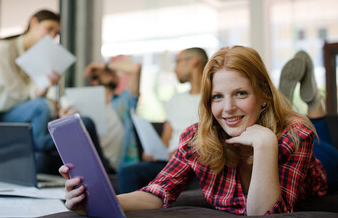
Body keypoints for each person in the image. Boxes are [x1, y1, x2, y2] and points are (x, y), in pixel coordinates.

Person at [60, 46, 327, 216]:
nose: (228, 108)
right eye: (217, 97)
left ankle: (313, 104)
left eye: (241, 93)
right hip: (271, 124)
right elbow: (157, 192)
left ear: (263, 95)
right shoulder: (195, 137)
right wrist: (94, 201)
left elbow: (263, 213)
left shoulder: (295, 134)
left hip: (322, 166)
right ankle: (293, 99)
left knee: (321, 138)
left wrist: (266, 142)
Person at [118, 47, 208, 193]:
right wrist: (155, 152)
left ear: (193, 62)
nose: (174, 69)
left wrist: (183, 152)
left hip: (196, 162)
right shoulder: (175, 99)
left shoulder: (213, 98)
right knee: (127, 171)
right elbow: (166, 139)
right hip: (170, 162)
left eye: (177, 62)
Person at [0, 9, 61, 151]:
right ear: (33, 23)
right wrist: (37, 90)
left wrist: (45, 85)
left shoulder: (39, 57)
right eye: (49, 29)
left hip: (9, 110)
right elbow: (17, 91)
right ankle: (42, 146)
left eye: (56, 33)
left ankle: (37, 150)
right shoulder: (3, 49)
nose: (52, 36)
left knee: (43, 106)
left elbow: (30, 93)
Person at [279, 50, 338, 193]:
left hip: (314, 156)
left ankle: (310, 101)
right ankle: (287, 106)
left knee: (316, 138)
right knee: (318, 144)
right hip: (322, 160)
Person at [84, 57, 141, 171]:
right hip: (93, 163)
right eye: (105, 72)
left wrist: (102, 65)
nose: (111, 73)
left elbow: (135, 68)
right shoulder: (86, 108)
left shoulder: (124, 101)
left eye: (112, 71)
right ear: (94, 81)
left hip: (117, 167)